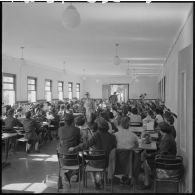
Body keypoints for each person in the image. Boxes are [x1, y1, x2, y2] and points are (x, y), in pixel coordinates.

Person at [68, 117, 116, 189]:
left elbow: (85, 145)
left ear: (98, 127)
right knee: (97, 159)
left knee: (90, 162)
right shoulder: (112, 137)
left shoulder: (96, 135)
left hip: (96, 162)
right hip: (106, 162)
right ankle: (99, 179)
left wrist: (74, 149)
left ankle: (95, 181)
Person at [138, 122, 177, 190]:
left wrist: (150, 155)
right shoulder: (167, 136)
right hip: (167, 158)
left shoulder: (167, 139)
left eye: (158, 129)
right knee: (145, 155)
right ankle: (147, 175)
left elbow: (161, 153)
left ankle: (147, 183)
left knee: (146, 161)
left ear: (162, 130)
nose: (157, 130)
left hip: (165, 161)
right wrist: (154, 141)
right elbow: (162, 149)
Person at [57, 113, 81, 184]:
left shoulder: (60, 129)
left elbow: (61, 140)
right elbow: (78, 142)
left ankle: (69, 174)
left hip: (62, 160)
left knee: (69, 155)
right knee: (83, 161)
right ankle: (73, 174)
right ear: (73, 121)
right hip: (74, 158)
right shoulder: (77, 129)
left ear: (64, 121)